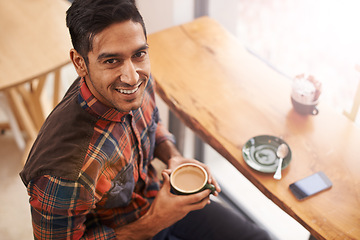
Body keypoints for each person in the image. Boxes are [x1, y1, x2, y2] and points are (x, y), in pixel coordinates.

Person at [20, 0, 271, 239]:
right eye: (111, 61)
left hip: (157, 199)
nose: (132, 77)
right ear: (80, 63)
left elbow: (152, 125)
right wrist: (156, 220)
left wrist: (174, 156)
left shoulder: (138, 81)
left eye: (138, 54)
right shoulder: (62, 173)